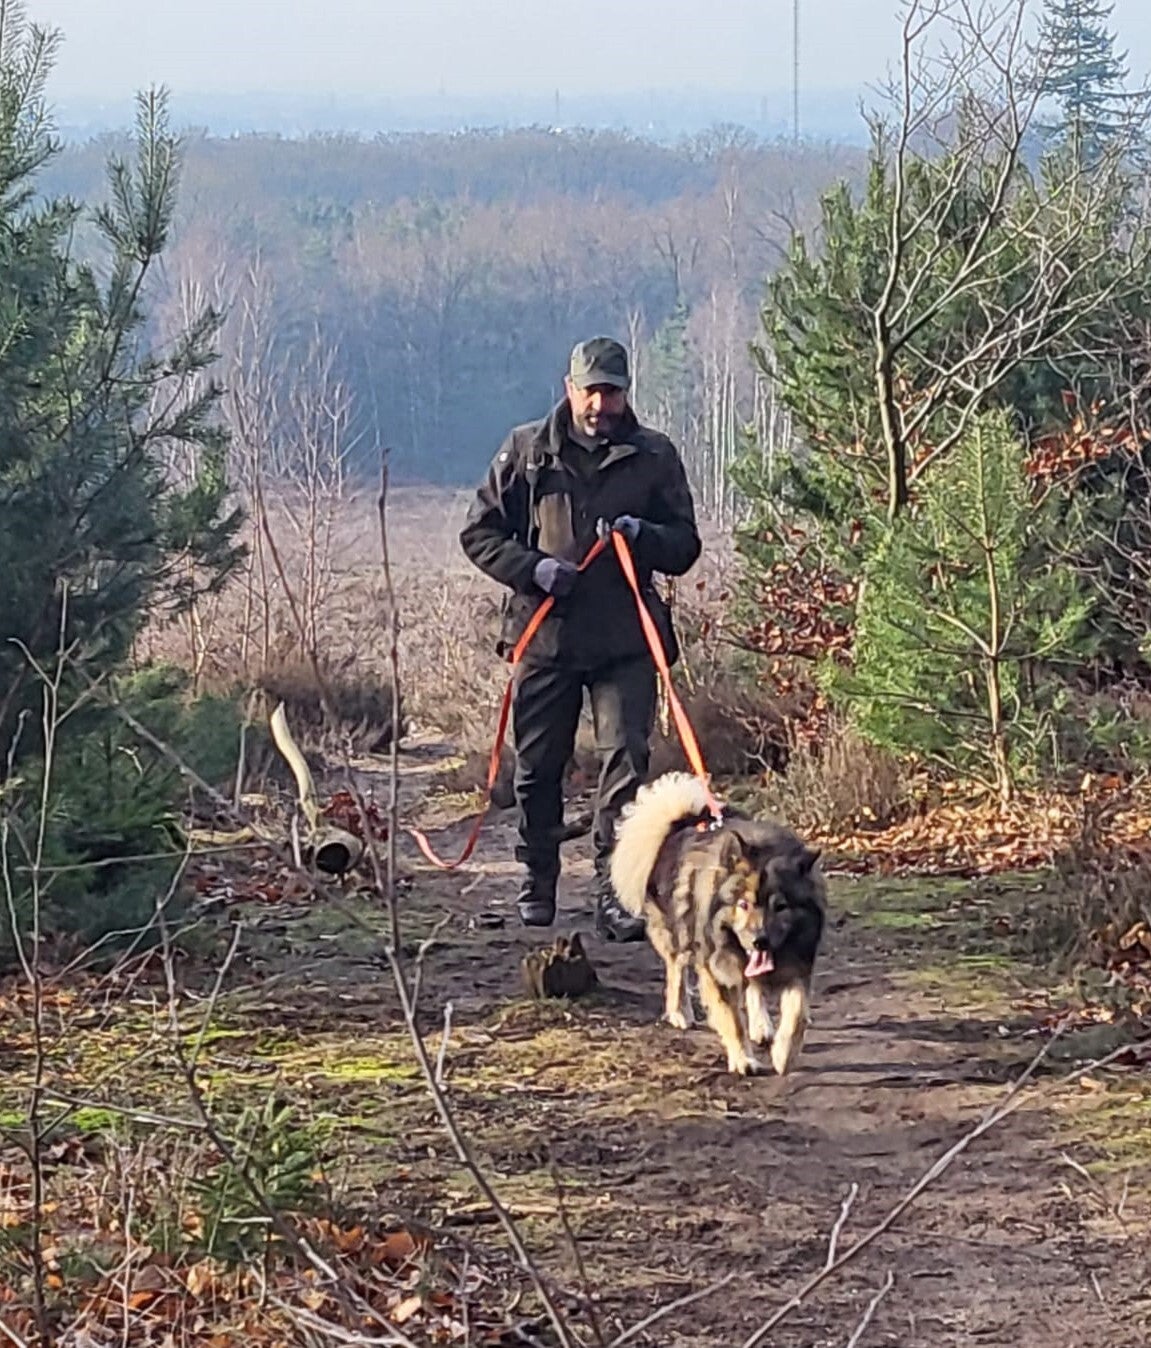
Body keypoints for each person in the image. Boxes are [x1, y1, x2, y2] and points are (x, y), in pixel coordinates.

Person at [459, 336, 701, 941]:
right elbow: (479, 534)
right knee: (538, 768)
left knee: (626, 764)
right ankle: (538, 878)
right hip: (546, 639)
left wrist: (645, 535)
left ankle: (617, 891)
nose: (600, 404)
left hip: (626, 642)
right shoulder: (526, 451)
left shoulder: (654, 456)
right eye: (590, 391)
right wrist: (534, 569)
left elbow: (685, 546)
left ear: (625, 392)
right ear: (570, 389)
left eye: (610, 392)